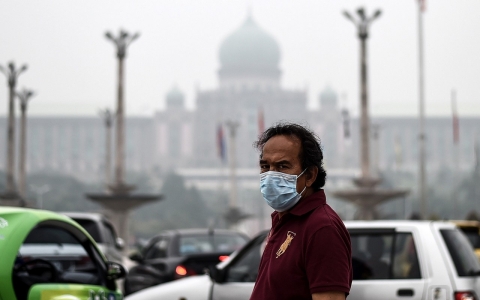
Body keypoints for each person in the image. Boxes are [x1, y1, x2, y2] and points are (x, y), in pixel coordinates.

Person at [250, 123, 352, 300]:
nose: (271, 175)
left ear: (310, 175)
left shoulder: (321, 227)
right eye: (265, 167)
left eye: (282, 166)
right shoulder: (284, 220)